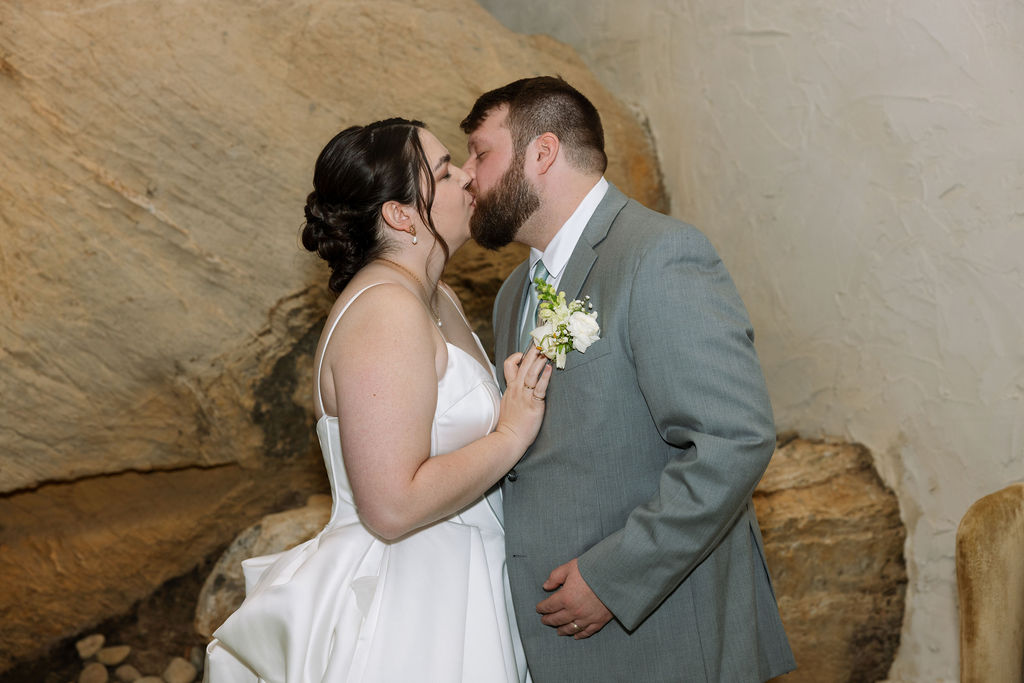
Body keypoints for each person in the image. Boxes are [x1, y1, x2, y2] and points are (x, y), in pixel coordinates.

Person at [461, 77, 796, 682]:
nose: (467, 175)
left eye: (481, 153)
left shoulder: (660, 255)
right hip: (557, 640)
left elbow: (733, 440)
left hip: (659, 635)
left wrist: (615, 576)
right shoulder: (515, 294)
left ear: (542, 153)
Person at [204, 118, 551, 682]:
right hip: (411, 603)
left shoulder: (435, 297)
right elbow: (391, 506)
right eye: (443, 171)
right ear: (400, 214)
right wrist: (511, 433)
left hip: (467, 580)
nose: (467, 176)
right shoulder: (385, 311)